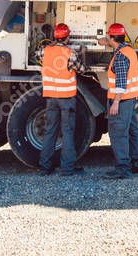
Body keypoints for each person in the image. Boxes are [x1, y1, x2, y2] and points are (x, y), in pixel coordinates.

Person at [99, 22, 138, 179]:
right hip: (130, 99)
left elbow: (120, 82)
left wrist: (116, 102)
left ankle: (122, 169)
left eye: (108, 37)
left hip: (122, 100)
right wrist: (105, 42)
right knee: (133, 132)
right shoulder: (129, 50)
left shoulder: (120, 57)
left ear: (112, 37)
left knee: (118, 134)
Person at [38, 22, 84, 176]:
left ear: (54, 37)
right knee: (68, 132)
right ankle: (67, 168)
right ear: (67, 37)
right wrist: (82, 53)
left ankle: (45, 168)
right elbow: (82, 69)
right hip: (66, 98)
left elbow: (37, 56)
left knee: (50, 131)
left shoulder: (45, 51)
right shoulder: (70, 53)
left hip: (51, 97)